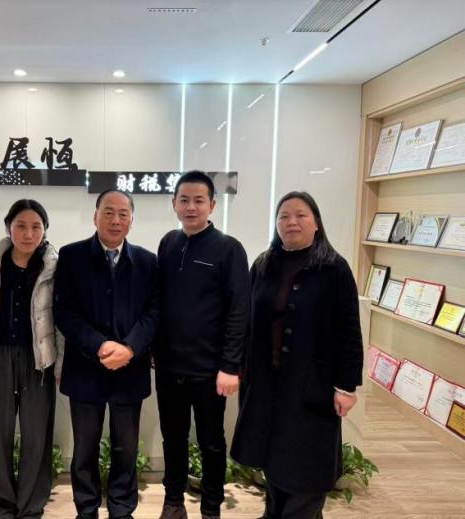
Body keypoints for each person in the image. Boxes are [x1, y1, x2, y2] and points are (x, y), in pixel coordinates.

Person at [231, 191, 363, 519]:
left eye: (301, 215)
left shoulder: (334, 269)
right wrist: (238, 367)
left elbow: (349, 330)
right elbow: (247, 322)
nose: (292, 222)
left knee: (307, 468)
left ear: (316, 222)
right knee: (274, 459)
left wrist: (346, 386)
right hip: (267, 384)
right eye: (284, 216)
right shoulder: (264, 264)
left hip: (313, 385)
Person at [53, 189, 159, 519]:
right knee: (84, 448)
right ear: (95, 216)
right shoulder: (71, 256)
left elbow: (154, 312)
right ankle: (86, 509)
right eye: (108, 212)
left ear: (131, 220)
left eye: (123, 214)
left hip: (130, 369)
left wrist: (129, 348)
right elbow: (64, 312)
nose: (115, 220)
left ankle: (121, 510)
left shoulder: (147, 261)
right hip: (86, 368)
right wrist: (100, 345)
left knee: (125, 448)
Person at [155, 170, 250, 519]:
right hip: (169, 367)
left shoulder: (229, 249)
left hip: (210, 370)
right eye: (184, 200)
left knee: (211, 442)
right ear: (174, 204)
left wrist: (230, 366)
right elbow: (160, 302)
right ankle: (173, 503)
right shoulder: (168, 243)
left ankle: (211, 509)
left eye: (198, 200)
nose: (191, 207)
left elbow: (240, 311)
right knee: (172, 438)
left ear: (212, 205)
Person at [0, 199, 62, 519]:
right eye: (21, 226)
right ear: (8, 228)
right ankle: (0, 506)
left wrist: (60, 363)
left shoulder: (54, 266)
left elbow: (62, 318)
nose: (28, 233)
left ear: (45, 230)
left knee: (37, 433)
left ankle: (31, 506)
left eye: (36, 226)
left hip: (39, 359)